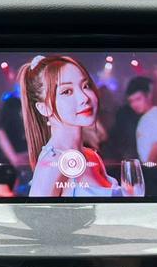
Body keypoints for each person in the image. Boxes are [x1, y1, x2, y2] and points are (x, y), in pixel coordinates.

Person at [18, 55, 118, 198]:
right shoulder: (53, 164)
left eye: (85, 86)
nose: (84, 98)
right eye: (67, 91)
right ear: (44, 108)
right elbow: (37, 213)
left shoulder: (91, 156)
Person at [126, 76, 157, 184]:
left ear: (148, 96)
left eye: (138, 99)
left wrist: (146, 177)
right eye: (131, 101)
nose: (134, 104)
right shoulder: (146, 117)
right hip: (155, 176)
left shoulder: (156, 117)